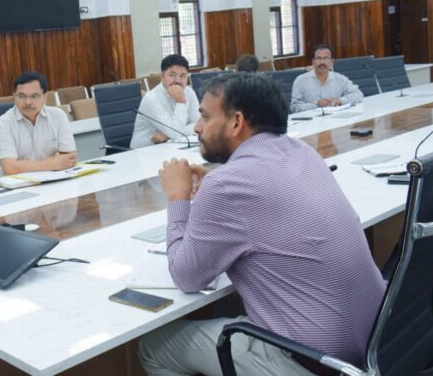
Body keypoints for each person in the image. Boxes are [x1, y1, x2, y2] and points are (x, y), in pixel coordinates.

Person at [139, 73, 385, 376]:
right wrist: (215, 191)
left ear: (236, 122)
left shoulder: (225, 186)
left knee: (154, 346)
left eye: (205, 116)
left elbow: (187, 277)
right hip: (379, 339)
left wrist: (178, 198)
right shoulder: (302, 151)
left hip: (313, 361)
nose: (197, 127)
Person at [0, 71, 77, 176]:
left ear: (45, 97)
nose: (28, 102)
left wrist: (23, 165)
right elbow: (10, 169)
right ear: (14, 97)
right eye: (21, 96)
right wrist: (52, 163)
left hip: (53, 179)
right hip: (17, 184)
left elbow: (69, 159)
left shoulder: (58, 116)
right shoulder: (4, 123)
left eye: (34, 96)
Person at [130, 54, 200, 149]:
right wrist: (181, 101)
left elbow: (199, 124)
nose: (178, 80)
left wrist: (168, 134)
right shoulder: (151, 99)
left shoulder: (189, 92)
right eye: (172, 75)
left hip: (172, 146)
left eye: (183, 76)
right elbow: (176, 133)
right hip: (145, 150)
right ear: (162, 76)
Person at [290, 43, 363, 113]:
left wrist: (341, 100)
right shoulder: (300, 81)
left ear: (332, 62)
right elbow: (294, 108)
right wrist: (316, 104)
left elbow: (358, 95)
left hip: (335, 119)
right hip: (311, 120)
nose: (322, 62)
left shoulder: (340, 79)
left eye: (326, 58)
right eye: (318, 58)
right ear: (313, 62)